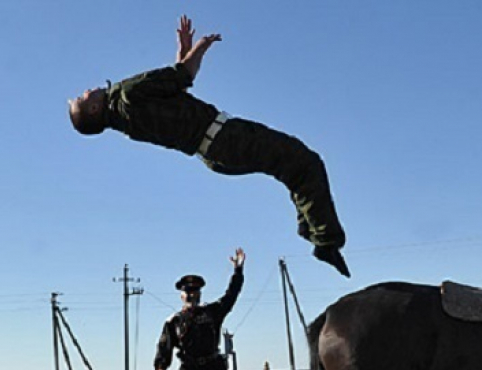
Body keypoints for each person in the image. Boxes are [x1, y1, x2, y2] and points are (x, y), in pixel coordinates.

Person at [68, 15, 349, 278]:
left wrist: (184, 51)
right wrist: (201, 48)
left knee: (293, 167)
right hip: (226, 138)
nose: (86, 90)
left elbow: (174, 88)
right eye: (82, 97)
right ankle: (324, 240)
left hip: (214, 153)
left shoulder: (124, 118)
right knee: (304, 162)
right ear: (93, 108)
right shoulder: (127, 94)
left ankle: (314, 232)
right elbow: (184, 75)